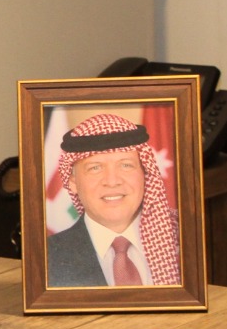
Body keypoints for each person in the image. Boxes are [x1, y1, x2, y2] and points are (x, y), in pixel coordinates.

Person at [46, 112, 180, 288]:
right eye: (95, 168)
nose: (112, 181)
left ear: (145, 174)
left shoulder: (185, 241)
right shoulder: (46, 258)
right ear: (73, 183)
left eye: (126, 165)